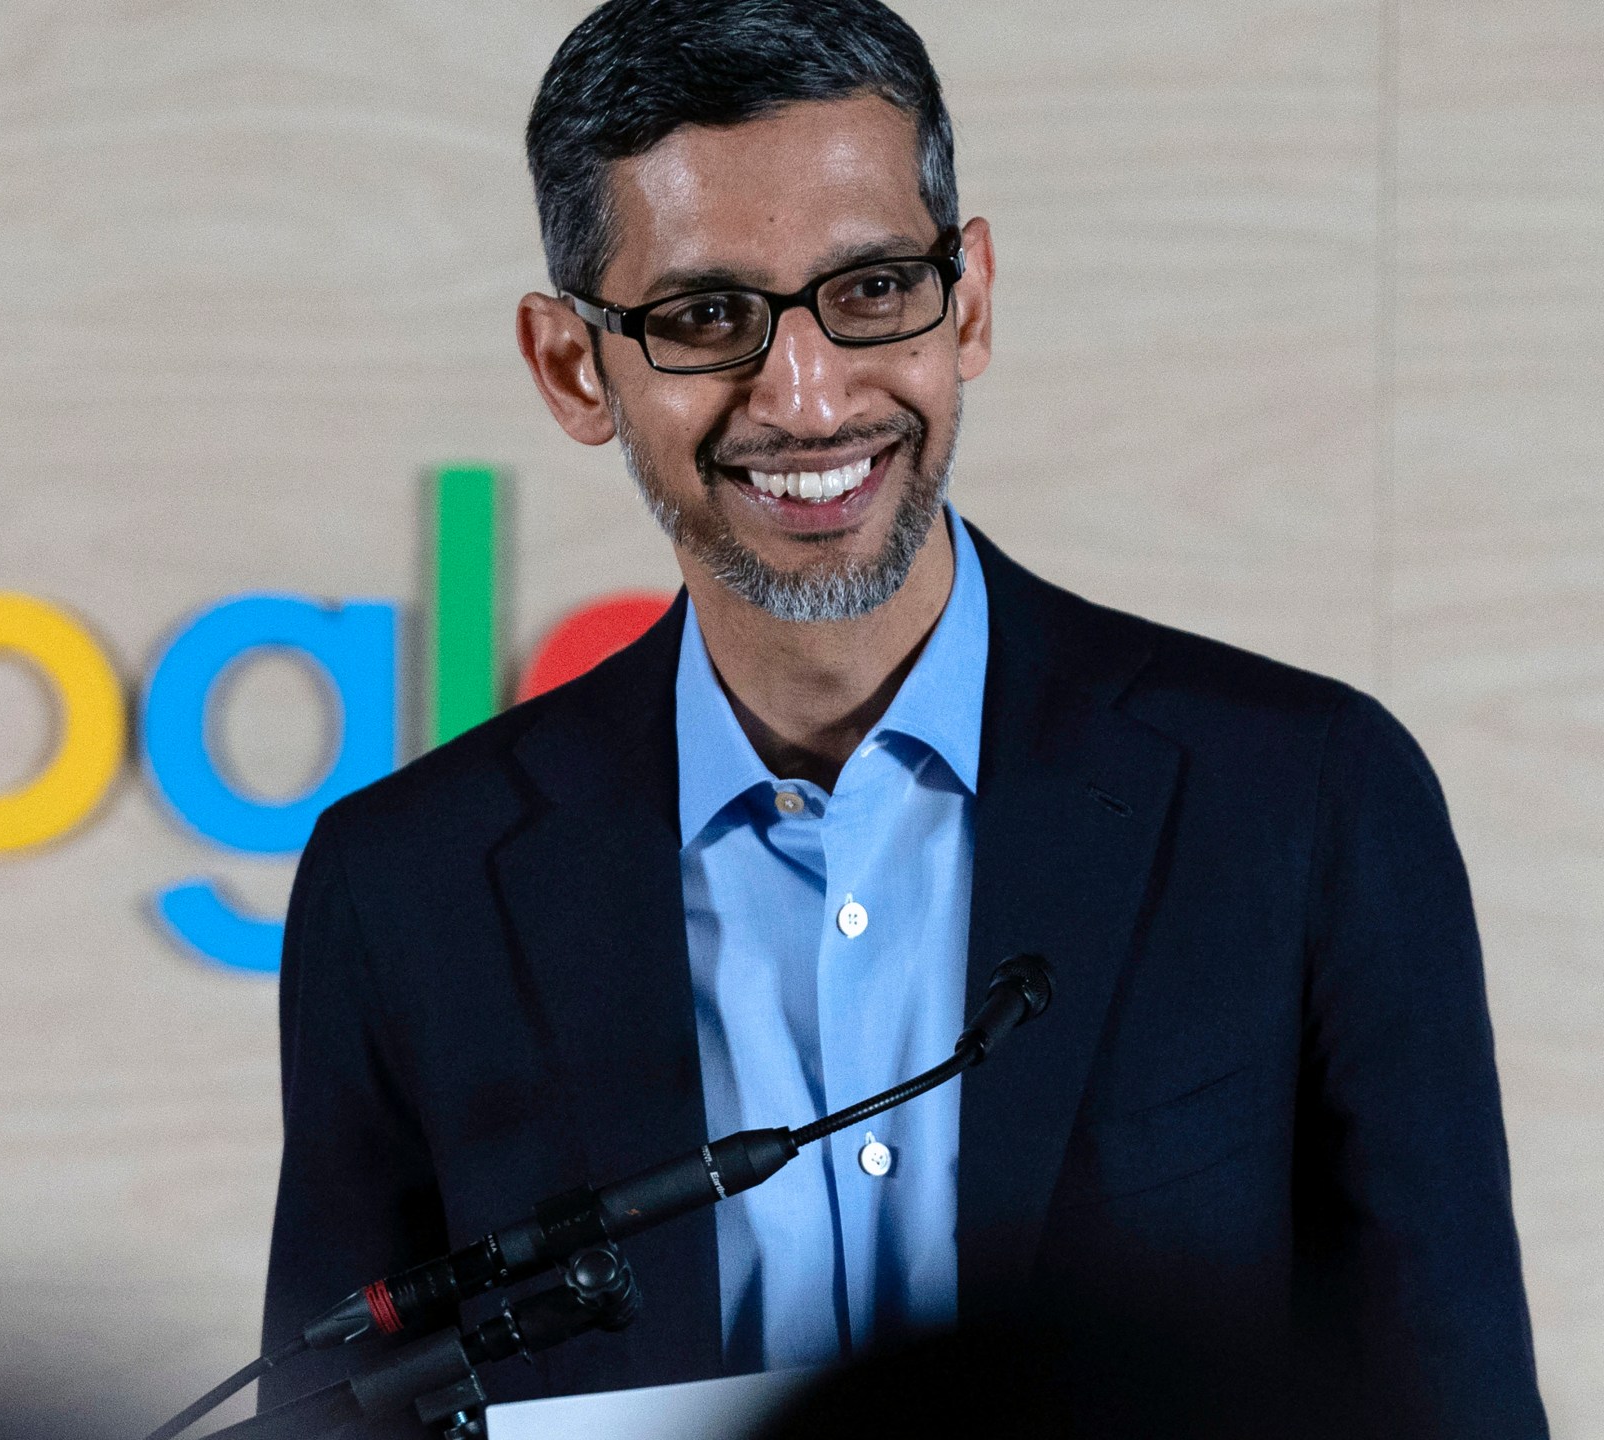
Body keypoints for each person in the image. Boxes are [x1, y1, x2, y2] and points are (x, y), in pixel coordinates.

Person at [255, 2, 1545, 1436]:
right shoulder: (406, 892)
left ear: (972, 296)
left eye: (872, 289)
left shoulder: (1308, 800)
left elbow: (1460, 1405)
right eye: (702, 317)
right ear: (573, 367)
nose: (807, 396)